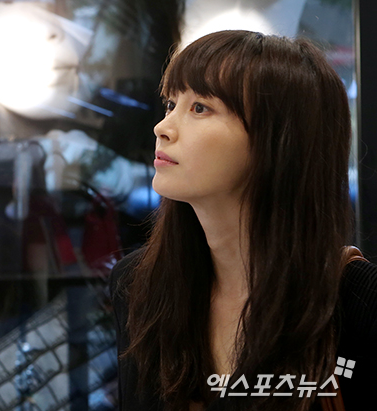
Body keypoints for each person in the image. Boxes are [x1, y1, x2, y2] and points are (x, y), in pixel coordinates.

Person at [109, 30, 377, 411]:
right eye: (170, 103)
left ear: (278, 140)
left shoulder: (359, 302)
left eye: (200, 108)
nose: (163, 127)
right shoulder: (138, 285)